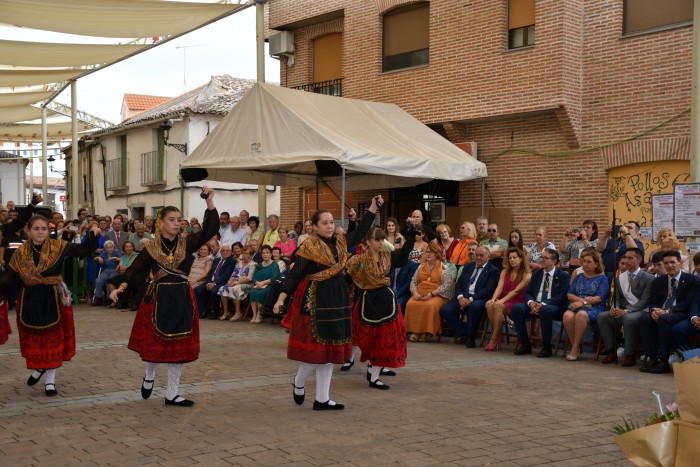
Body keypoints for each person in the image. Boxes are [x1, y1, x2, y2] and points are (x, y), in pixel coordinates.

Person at [109, 187, 218, 407]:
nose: (177, 223)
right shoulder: (151, 247)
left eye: (179, 219)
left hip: (182, 297)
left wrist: (210, 201)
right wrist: (120, 288)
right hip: (158, 298)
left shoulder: (187, 243)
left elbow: (211, 229)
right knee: (155, 342)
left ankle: (172, 393)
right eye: (172, 219)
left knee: (179, 346)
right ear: (161, 222)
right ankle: (149, 374)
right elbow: (135, 270)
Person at [272, 195, 382, 411]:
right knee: (316, 351)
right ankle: (299, 381)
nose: (330, 226)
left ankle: (322, 399)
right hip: (315, 299)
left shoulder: (341, 242)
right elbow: (294, 276)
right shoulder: (308, 248)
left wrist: (372, 207)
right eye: (325, 223)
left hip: (338, 297)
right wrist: (281, 298)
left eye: (332, 222)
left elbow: (360, 232)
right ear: (314, 227)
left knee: (330, 350)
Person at [1, 201, 100, 397]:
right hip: (30, 297)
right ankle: (39, 368)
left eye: (43, 229)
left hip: (53, 297)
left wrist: (91, 236)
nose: (40, 232)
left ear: (49, 230)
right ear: (28, 231)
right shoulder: (20, 252)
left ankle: (50, 381)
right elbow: (10, 277)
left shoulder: (59, 247)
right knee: (36, 340)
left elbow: (83, 251)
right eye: (36, 228)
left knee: (53, 338)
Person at [345, 225, 415, 389]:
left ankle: (374, 375)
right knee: (370, 339)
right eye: (377, 239)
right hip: (367, 300)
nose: (381, 242)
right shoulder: (358, 261)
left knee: (386, 338)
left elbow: (403, 257)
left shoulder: (387, 256)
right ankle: (371, 368)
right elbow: (345, 279)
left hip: (386, 300)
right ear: (368, 242)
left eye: (382, 239)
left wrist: (410, 238)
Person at [639, 250, 699, 374]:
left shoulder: (691, 280)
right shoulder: (658, 281)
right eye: (666, 263)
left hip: (680, 312)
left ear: (680, 262)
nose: (669, 265)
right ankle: (652, 358)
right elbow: (653, 301)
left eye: (673, 262)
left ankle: (664, 361)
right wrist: (654, 310)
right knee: (644, 318)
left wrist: (666, 311)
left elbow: (688, 303)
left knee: (664, 319)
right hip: (661, 312)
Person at [597, 247, 654, 367]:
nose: (627, 260)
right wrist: (614, 308)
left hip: (641, 311)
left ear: (639, 260)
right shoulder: (619, 278)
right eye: (625, 257)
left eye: (630, 258)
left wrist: (626, 311)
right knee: (603, 316)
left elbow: (645, 301)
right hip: (623, 310)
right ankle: (611, 351)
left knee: (629, 319)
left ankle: (629, 355)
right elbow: (616, 298)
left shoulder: (648, 278)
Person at [511, 248, 571, 357]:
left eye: (545, 258)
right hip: (535, 305)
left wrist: (543, 304)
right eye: (541, 257)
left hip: (553, 307)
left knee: (545, 310)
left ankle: (546, 347)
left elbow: (562, 297)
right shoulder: (537, 274)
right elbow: (527, 293)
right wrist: (530, 303)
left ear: (554, 261)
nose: (542, 260)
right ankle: (525, 345)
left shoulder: (563, 275)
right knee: (516, 308)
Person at [440, 246, 500, 348]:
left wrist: (471, 299)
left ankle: (470, 337)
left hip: (479, 298)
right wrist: (460, 298)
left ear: (488, 257)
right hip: (463, 297)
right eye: (477, 255)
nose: (478, 258)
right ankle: (465, 332)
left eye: (481, 255)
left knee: (474, 307)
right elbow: (459, 284)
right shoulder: (468, 266)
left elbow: (488, 290)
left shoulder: (493, 271)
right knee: (445, 310)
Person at [563, 250, 610, 361]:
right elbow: (569, 294)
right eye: (583, 261)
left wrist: (583, 303)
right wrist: (581, 300)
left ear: (596, 264)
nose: (585, 264)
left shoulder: (602, 279)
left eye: (589, 262)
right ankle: (576, 345)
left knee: (581, 315)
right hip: (577, 305)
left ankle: (574, 349)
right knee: (567, 316)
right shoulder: (579, 277)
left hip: (595, 308)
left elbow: (599, 298)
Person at [404, 243, 455, 342]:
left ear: (437, 254)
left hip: (437, 295)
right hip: (420, 293)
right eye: (427, 252)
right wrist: (415, 293)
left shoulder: (444, 268)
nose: (428, 254)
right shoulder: (421, 267)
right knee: (411, 303)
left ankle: (426, 332)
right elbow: (413, 281)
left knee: (430, 305)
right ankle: (416, 331)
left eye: (431, 252)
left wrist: (431, 294)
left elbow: (446, 286)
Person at [484, 248, 531, 351]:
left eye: (515, 257)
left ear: (521, 259)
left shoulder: (527, 275)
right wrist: (493, 298)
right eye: (510, 258)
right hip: (504, 299)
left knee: (499, 305)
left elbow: (516, 292)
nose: (512, 260)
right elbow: (499, 287)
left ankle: (494, 338)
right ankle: (499, 335)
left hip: (517, 301)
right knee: (489, 304)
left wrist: (502, 300)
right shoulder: (505, 271)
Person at [195, 244, 237, 320]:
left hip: (222, 282)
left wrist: (214, 283)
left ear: (231, 252)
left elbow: (226, 275)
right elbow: (210, 273)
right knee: (197, 290)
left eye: (227, 250)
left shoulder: (232, 261)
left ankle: (215, 312)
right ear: (220, 252)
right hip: (211, 281)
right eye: (223, 250)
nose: (225, 252)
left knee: (214, 291)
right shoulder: (216, 260)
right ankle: (204, 310)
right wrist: (208, 282)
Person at [218, 245, 256, 321]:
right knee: (223, 288)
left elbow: (249, 278)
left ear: (251, 255)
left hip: (248, 284)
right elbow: (233, 274)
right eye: (244, 253)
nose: (245, 255)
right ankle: (226, 312)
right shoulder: (239, 262)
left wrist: (236, 283)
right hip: (236, 282)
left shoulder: (253, 264)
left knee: (235, 289)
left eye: (247, 254)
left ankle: (238, 312)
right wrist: (230, 281)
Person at [248, 245, 280, 323]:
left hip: (269, 285)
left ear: (271, 254)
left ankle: (259, 315)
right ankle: (254, 315)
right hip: (258, 285)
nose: (265, 254)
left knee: (260, 293)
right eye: (263, 253)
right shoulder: (259, 265)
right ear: (261, 255)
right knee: (252, 292)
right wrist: (257, 283)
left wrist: (263, 283)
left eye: (267, 253)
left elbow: (274, 277)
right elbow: (254, 277)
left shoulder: (274, 265)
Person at [109, 240, 139, 310]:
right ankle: (115, 300)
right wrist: (122, 268)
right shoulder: (123, 256)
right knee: (110, 281)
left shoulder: (136, 255)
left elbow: (131, 267)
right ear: (124, 248)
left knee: (123, 281)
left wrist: (123, 268)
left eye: (130, 247)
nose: (128, 248)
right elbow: (119, 269)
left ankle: (122, 302)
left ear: (133, 247)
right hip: (123, 274)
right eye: (126, 247)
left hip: (132, 276)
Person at [93, 240, 122, 307]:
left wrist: (115, 258)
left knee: (109, 280)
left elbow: (122, 259)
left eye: (111, 247)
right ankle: (98, 297)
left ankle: (109, 298)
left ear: (113, 247)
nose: (109, 249)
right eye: (107, 248)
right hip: (106, 270)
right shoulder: (104, 253)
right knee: (98, 280)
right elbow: (94, 259)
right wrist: (98, 257)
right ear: (105, 248)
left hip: (116, 270)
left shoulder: (116, 252)